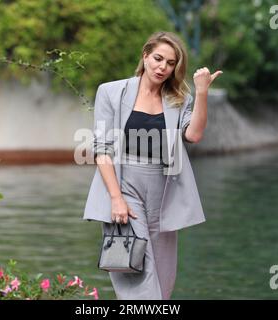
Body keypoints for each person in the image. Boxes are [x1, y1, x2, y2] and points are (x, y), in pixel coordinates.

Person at [83, 31, 222, 300]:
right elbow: (102, 149)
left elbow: (193, 135)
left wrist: (202, 92)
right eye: (158, 58)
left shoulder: (178, 99)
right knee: (137, 272)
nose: (162, 67)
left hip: (165, 190)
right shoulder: (111, 92)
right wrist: (116, 198)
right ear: (145, 56)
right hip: (125, 186)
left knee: (162, 276)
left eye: (170, 63)